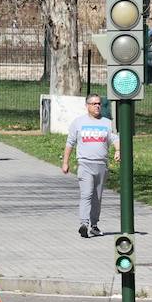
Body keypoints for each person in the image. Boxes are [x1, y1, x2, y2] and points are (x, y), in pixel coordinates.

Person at [61, 95, 119, 237]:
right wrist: (65, 162)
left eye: (99, 103)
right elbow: (70, 143)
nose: (97, 106)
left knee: (97, 198)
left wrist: (118, 150)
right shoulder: (78, 122)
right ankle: (84, 224)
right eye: (93, 104)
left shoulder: (107, 123)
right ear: (87, 105)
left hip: (101, 165)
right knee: (86, 195)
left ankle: (94, 225)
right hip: (85, 164)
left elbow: (115, 138)